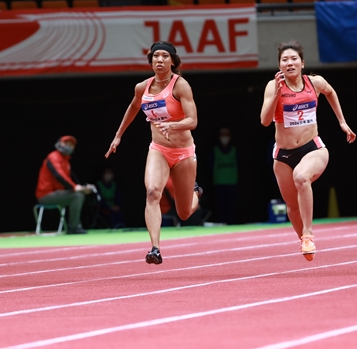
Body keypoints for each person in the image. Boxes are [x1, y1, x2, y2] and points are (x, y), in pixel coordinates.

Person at [106, 41, 202, 264]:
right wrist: (118, 135)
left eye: (165, 56)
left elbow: (193, 120)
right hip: (158, 149)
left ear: (172, 61)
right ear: (150, 61)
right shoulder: (143, 87)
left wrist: (174, 125)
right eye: (156, 56)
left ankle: (196, 192)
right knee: (152, 193)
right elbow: (132, 108)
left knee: (184, 213)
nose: (160, 59)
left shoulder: (180, 86)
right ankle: (155, 248)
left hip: (183, 152)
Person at [260, 41, 356, 261]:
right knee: (292, 207)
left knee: (302, 177)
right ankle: (303, 239)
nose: (289, 63)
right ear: (279, 66)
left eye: (293, 59)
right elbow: (265, 121)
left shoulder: (315, 82)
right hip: (283, 155)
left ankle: (309, 233)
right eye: (284, 60)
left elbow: (330, 92)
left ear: (302, 63)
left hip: (312, 148)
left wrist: (341, 121)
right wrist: (275, 94)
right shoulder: (272, 87)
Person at [35, 135, 93, 234]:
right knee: (77, 195)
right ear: (59, 144)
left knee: (79, 194)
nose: (69, 146)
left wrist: (81, 188)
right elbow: (60, 176)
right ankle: (73, 227)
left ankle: (74, 226)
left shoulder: (66, 162)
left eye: (71, 145)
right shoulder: (53, 157)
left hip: (58, 194)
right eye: (66, 143)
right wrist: (76, 188)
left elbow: (67, 181)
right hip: (46, 195)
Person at [212, 127, 238, 224]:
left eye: (226, 134)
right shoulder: (214, 151)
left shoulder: (234, 150)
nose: (224, 137)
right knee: (220, 205)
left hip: (232, 182)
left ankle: (232, 223)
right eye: (222, 134)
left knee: (231, 205)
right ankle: (220, 223)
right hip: (219, 183)